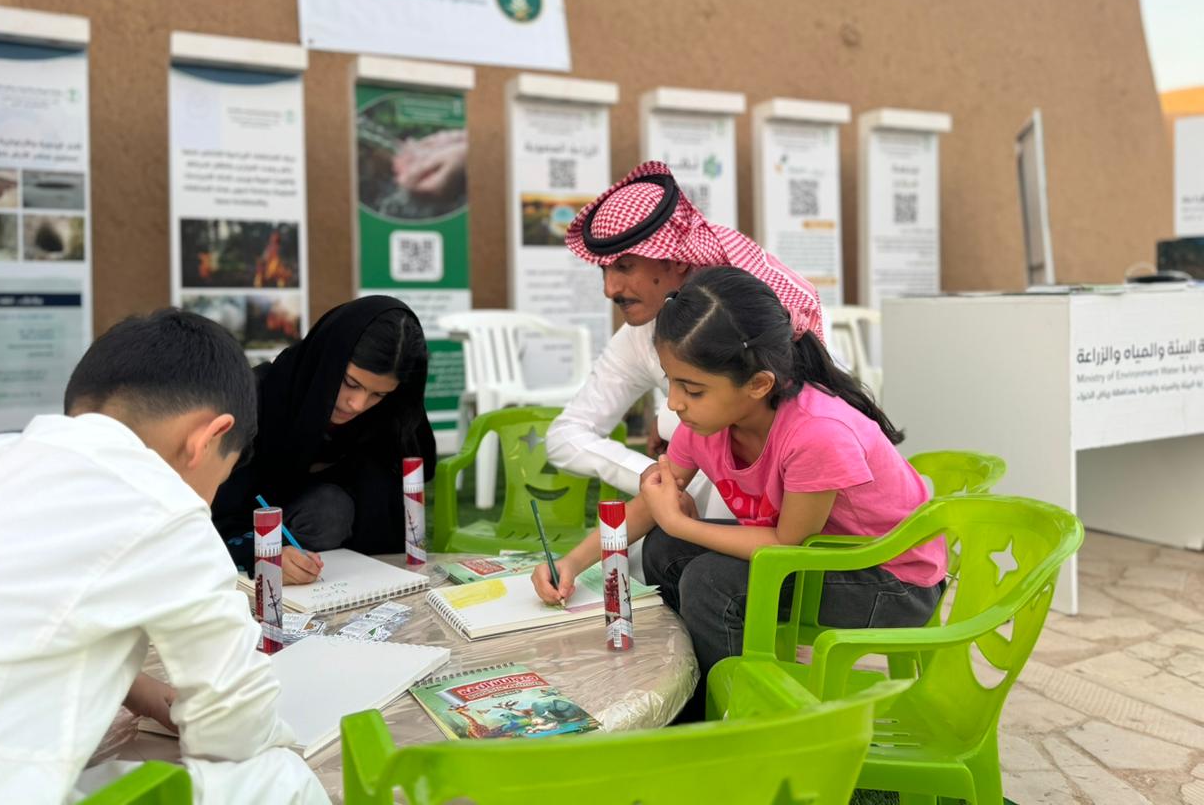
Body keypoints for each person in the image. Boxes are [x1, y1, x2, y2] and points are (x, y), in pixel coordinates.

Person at [0, 309, 329, 805]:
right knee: (279, 776)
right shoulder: (163, 505)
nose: (208, 502)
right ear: (205, 438)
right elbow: (235, 726)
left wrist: (139, 691)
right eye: (218, 485)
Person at [533, 267, 945, 698]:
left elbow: (789, 545)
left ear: (758, 384)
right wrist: (572, 564)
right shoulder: (706, 423)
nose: (674, 403)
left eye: (692, 389)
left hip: (892, 581)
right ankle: (695, 682)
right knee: (664, 551)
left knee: (712, 583)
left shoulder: (817, 433)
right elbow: (653, 498)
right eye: (672, 381)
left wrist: (680, 523)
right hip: (823, 556)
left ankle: (731, 709)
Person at [545, 160, 826, 513]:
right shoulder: (639, 334)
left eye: (625, 267)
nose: (610, 289)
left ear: (676, 261)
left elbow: (803, 429)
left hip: (795, 506)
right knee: (641, 558)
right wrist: (657, 475)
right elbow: (566, 434)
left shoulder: (759, 325)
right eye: (605, 269)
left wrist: (670, 425)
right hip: (698, 502)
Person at [212, 296, 435, 583]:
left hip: (334, 553)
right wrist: (263, 553)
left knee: (337, 504)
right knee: (329, 512)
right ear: (326, 361)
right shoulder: (259, 398)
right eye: (350, 383)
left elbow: (408, 475)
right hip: (246, 529)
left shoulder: (387, 413)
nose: (357, 404)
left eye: (378, 394)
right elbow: (216, 511)